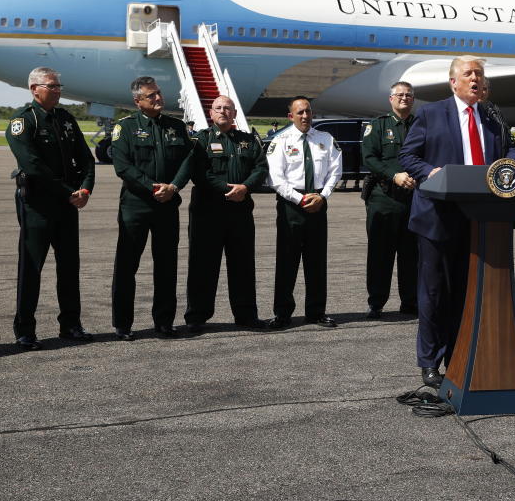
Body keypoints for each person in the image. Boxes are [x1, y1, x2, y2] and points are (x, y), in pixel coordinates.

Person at [399, 55, 515, 389]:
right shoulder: (430, 113)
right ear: (453, 81)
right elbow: (409, 156)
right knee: (436, 293)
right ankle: (430, 362)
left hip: (482, 220)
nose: (476, 79)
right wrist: (430, 173)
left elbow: (508, 151)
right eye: (469, 74)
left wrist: (514, 166)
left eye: (479, 74)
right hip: (438, 217)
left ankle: (460, 357)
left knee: (468, 295)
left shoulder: (493, 116)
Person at [7, 67, 95, 350]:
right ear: (34, 89)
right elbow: (33, 166)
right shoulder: (23, 121)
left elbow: (86, 159)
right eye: (52, 86)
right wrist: (70, 191)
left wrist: (85, 189)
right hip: (38, 204)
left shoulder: (66, 119)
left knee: (69, 267)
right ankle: (25, 330)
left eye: (59, 86)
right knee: (31, 268)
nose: (58, 91)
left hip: (68, 203)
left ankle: (71, 324)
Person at [110, 76, 194, 340]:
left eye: (159, 93)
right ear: (138, 101)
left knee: (167, 265)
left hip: (167, 205)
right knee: (126, 265)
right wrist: (152, 187)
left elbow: (188, 160)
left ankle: (164, 321)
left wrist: (175, 187)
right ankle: (123, 324)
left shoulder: (176, 127)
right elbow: (122, 166)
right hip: (136, 206)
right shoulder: (125, 128)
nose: (158, 98)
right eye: (151, 95)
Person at [185, 95, 268, 332]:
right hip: (207, 212)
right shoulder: (200, 140)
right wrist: (228, 189)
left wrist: (245, 188)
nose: (223, 111)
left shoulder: (248, 140)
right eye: (218, 108)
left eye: (228, 108)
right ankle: (196, 317)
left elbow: (260, 167)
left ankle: (246, 315)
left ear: (234, 114)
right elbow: (198, 172)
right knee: (202, 265)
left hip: (239, 211)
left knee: (242, 264)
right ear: (211, 113)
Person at [266, 96, 342, 329]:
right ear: (290, 116)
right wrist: (301, 199)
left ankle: (316, 311)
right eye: (299, 113)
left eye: (308, 111)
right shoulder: (280, 141)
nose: (305, 116)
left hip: (318, 204)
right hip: (291, 206)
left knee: (316, 262)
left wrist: (323, 195)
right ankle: (282, 313)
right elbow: (276, 179)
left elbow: (336, 171)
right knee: (287, 261)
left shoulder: (325, 139)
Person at [361, 81, 418, 319]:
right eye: (399, 95)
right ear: (391, 99)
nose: (404, 98)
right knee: (380, 255)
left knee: (412, 255)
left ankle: (411, 302)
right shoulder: (378, 126)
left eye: (408, 95)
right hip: (384, 198)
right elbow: (369, 158)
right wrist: (393, 175)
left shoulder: (421, 125)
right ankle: (376, 303)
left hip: (414, 199)